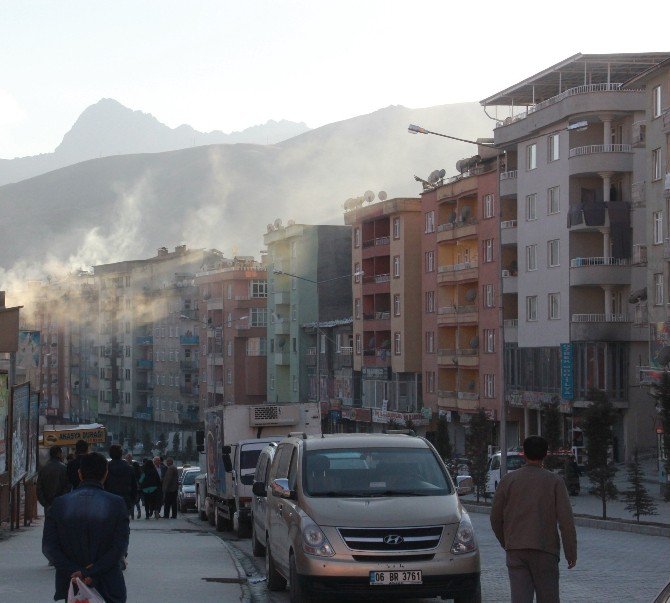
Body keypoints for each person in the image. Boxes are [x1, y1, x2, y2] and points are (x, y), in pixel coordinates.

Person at [491, 436, 577, 603]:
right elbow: (566, 521)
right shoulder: (554, 482)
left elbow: (495, 517)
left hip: (516, 550)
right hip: (545, 550)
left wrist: (506, 542)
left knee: (520, 598)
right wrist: (570, 552)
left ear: (524, 454)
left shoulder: (508, 480)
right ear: (545, 454)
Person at [42, 452, 129, 603]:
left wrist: (76, 572)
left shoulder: (59, 504)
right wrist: (90, 571)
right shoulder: (117, 504)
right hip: (109, 585)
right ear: (106, 473)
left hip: (73, 586)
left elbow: (49, 548)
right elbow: (119, 548)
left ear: (80, 474)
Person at [36, 445, 71, 515]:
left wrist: (45, 503)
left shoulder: (44, 469)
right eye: (61, 453)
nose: (63, 455)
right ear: (58, 454)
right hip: (61, 504)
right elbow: (68, 486)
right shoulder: (64, 468)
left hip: (48, 505)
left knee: (49, 523)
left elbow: (39, 488)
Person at [105, 445, 138, 519]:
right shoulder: (129, 468)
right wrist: (132, 501)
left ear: (110, 454)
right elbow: (134, 487)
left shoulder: (105, 468)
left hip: (109, 500)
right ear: (121, 454)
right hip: (125, 500)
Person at [125, 453, 143, 519]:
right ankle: (131, 514)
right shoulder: (125, 465)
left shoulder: (135, 464)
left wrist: (139, 483)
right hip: (127, 485)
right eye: (127, 457)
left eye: (129, 457)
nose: (128, 459)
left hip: (135, 484)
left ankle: (138, 512)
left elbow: (139, 474)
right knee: (130, 500)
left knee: (136, 500)